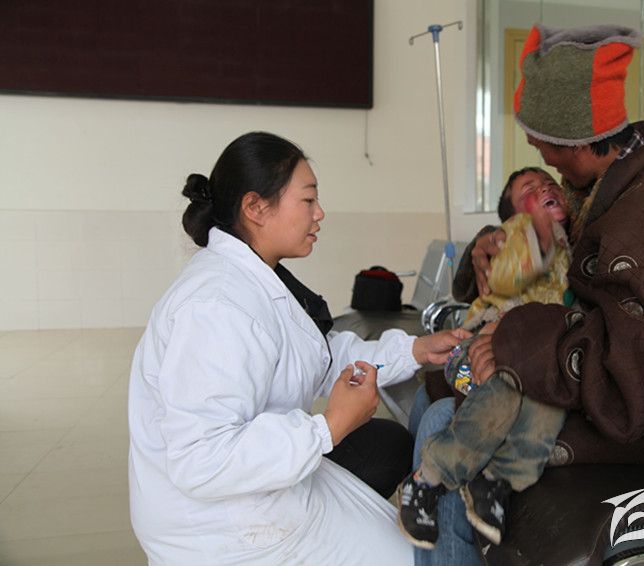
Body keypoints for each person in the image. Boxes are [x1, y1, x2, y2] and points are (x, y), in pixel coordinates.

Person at [415, 23, 644, 564]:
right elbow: (548, 270)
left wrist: (517, 342)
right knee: (436, 389)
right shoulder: (599, 195)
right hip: (594, 378)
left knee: (446, 420)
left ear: (574, 141)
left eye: (544, 148)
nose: (544, 161)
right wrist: (489, 246)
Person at [127, 131, 468, 565]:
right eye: (308, 200)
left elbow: (318, 357)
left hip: (260, 484)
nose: (319, 213)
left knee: (390, 471)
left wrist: (415, 350)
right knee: (412, 561)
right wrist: (329, 426)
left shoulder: (256, 276)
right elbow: (201, 459)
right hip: (219, 526)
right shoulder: (215, 306)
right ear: (255, 208)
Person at [396, 167, 572, 548]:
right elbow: (502, 278)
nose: (544, 188)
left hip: (530, 354)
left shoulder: (567, 243)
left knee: (547, 405)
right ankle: (426, 479)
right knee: (500, 397)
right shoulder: (520, 232)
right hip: (477, 349)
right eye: (530, 189)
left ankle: (496, 481)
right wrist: (536, 241)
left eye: (549, 183)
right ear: (514, 215)